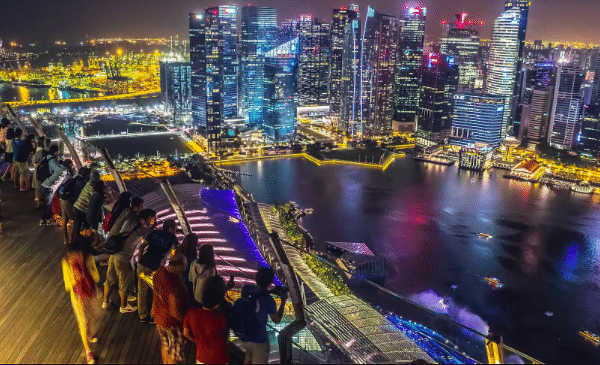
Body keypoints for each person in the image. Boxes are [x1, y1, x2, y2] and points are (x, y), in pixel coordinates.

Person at [103, 208, 156, 313]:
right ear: (146, 218)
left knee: (110, 278)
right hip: (122, 258)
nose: (152, 221)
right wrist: (153, 225)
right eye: (151, 219)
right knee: (124, 281)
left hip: (114, 254)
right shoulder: (141, 229)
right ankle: (123, 306)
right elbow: (152, 233)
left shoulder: (130, 222)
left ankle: (105, 301)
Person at [62, 235, 102, 364]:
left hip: (91, 291)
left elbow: (94, 273)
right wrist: (76, 278)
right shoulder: (66, 263)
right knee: (82, 321)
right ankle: (87, 350)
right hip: (78, 295)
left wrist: (90, 276)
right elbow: (68, 285)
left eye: (79, 253)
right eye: (74, 254)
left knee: (96, 315)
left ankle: (90, 334)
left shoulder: (87, 258)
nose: (77, 256)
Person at [236, 267, 288, 364]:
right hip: (260, 340)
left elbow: (257, 294)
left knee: (248, 359)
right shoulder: (269, 300)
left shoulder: (246, 289)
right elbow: (276, 320)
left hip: (246, 336)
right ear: (271, 282)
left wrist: (270, 291)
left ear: (256, 279)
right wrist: (283, 301)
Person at [136, 219, 179, 323]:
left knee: (142, 291)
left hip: (143, 263)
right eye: (175, 228)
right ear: (170, 228)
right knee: (157, 292)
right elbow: (174, 253)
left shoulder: (154, 233)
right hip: (155, 268)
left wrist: (140, 260)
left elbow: (142, 247)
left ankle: (142, 315)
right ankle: (152, 316)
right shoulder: (172, 237)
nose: (176, 231)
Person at [152, 252, 190, 364]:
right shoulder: (175, 288)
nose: (184, 269)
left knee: (165, 345)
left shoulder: (159, 272)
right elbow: (175, 312)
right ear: (178, 267)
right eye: (184, 266)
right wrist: (186, 324)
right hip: (172, 323)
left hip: (159, 318)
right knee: (175, 353)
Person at [183, 283, 229, 364]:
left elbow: (185, 333)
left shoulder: (191, 313)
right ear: (216, 304)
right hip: (219, 358)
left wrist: (197, 340)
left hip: (201, 358)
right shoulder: (221, 318)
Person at [59, 167, 91, 244]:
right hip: (70, 202)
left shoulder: (74, 178)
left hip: (63, 200)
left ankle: (65, 238)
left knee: (65, 220)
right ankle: (71, 239)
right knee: (75, 220)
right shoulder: (82, 182)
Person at [39, 145, 67, 227]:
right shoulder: (53, 159)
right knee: (47, 204)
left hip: (45, 182)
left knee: (46, 203)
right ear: (56, 151)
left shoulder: (47, 156)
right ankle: (44, 220)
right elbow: (57, 171)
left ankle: (47, 219)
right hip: (49, 185)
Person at [73, 170, 101, 235]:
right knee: (86, 225)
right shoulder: (93, 188)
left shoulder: (88, 183)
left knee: (77, 225)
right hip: (81, 209)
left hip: (77, 205)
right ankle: (80, 239)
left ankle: (74, 239)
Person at [32, 136, 50, 207]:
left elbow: (34, 162)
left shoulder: (38, 153)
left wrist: (37, 167)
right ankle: (48, 202)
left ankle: (38, 202)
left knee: (38, 188)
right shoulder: (51, 153)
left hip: (38, 173)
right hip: (48, 174)